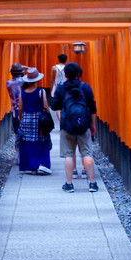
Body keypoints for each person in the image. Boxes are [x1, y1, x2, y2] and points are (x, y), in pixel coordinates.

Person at [49, 62, 98, 192]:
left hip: (67, 126)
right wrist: (92, 124)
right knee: (86, 153)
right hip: (83, 125)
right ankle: (92, 183)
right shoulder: (85, 87)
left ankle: (69, 184)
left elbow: (54, 106)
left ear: (64, 74)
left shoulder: (61, 88)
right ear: (79, 74)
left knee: (69, 155)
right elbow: (93, 107)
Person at [15, 67, 53, 174]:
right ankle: (42, 164)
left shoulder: (22, 93)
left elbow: (20, 108)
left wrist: (21, 118)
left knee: (28, 142)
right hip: (39, 119)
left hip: (27, 118)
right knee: (41, 140)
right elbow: (45, 106)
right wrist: (48, 116)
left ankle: (31, 166)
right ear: (37, 80)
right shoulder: (41, 91)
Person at [5, 62, 25, 143]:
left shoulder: (8, 83)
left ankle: (18, 150)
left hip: (14, 109)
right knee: (25, 130)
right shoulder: (24, 81)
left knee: (16, 130)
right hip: (24, 108)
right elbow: (33, 72)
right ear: (22, 72)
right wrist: (25, 68)